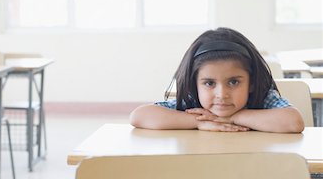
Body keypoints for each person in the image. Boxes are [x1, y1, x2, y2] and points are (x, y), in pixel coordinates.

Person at [130, 27, 304, 133]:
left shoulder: (263, 100)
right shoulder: (193, 105)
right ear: (194, 84)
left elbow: (293, 122)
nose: (222, 94)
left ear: (251, 83)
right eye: (209, 83)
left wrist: (236, 117)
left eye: (234, 82)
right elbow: (139, 116)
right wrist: (201, 122)